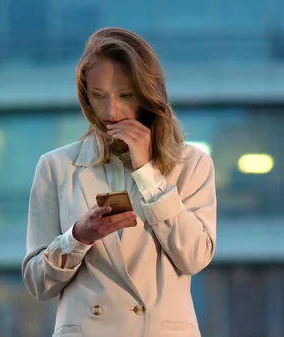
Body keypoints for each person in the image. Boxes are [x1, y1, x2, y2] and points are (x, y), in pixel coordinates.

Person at [21, 27, 217, 337]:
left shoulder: (191, 164)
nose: (111, 111)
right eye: (98, 96)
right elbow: (37, 283)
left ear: (147, 93)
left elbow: (194, 257)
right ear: (86, 97)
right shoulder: (56, 167)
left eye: (125, 96)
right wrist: (77, 238)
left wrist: (147, 171)